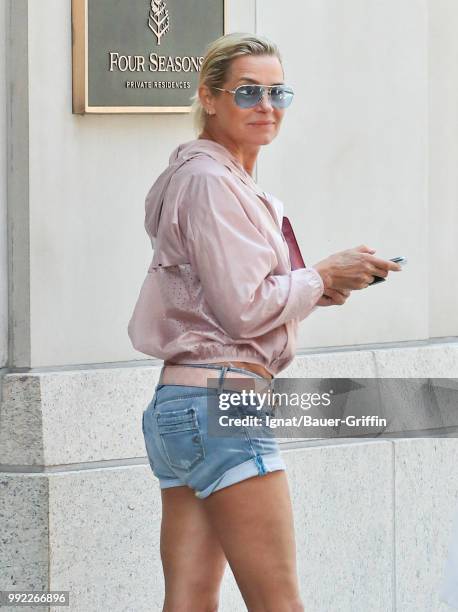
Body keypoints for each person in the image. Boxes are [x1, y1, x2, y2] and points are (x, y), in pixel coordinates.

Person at [128, 32, 401, 612]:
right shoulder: (209, 181)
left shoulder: (222, 180)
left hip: (185, 403)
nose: (266, 106)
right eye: (247, 92)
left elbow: (225, 296)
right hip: (222, 401)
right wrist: (321, 276)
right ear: (208, 96)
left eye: (279, 92)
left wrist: (324, 286)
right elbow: (242, 309)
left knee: (190, 599)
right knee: (278, 603)